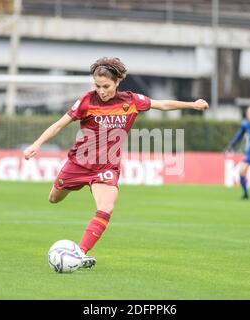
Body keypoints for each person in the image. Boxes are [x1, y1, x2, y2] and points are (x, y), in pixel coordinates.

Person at [23, 57, 209, 268]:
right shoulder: (87, 101)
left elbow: (162, 104)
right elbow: (58, 125)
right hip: (79, 163)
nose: (101, 91)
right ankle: (67, 190)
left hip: (106, 167)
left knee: (106, 207)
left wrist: (192, 104)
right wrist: (36, 144)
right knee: (54, 199)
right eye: (98, 86)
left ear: (118, 81)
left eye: (106, 86)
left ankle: (80, 253)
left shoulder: (131, 101)